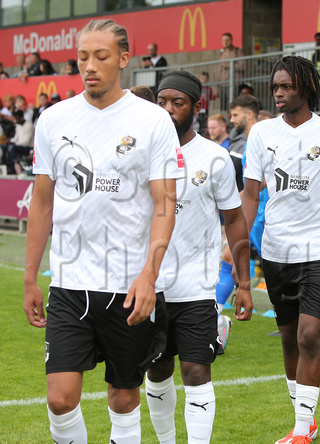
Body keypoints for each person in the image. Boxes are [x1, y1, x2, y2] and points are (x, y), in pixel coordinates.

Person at [22, 19, 182, 443]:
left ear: (124, 59)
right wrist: (29, 277)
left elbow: (165, 203)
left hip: (129, 284)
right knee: (60, 398)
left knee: (124, 399)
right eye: (82, 58)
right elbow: (41, 202)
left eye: (102, 56)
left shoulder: (152, 121)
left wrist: (149, 273)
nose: (89, 66)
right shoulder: (53, 119)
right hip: (70, 282)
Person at [242, 55, 320, 443]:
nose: (278, 93)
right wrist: (238, 245)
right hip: (275, 251)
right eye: (275, 87)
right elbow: (250, 195)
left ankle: (300, 431)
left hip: (319, 250)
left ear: (306, 88)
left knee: (310, 335)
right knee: (290, 337)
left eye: (286, 86)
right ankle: (304, 420)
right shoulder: (260, 134)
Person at [145, 70, 252, 444]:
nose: (168, 109)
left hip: (197, 288)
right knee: (157, 371)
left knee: (195, 371)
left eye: (178, 102)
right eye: (162, 102)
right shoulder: (141, 153)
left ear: (196, 107)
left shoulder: (216, 158)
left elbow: (236, 221)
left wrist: (244, 282)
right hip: (149, 289)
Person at [214, 95, 261, 348]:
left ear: (249, 114)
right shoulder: (246, 141)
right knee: (229, 258)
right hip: (251, 212)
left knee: (232, 259)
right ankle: (215, 319)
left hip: (263, 213)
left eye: (235, 115)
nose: (231, 120)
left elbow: (264, 179)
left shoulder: (261, 139)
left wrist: (236, 199)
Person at [217, 33, 245, 111]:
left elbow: (243, 66)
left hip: (234, 83)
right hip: (223, 84)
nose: (225, 42)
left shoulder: (237, 51)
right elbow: (219, 71)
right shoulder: (222, 53)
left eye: (227, 40)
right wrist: (218, 86)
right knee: (223, 107)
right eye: (223, 40)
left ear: (231, 40)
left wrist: (229, 65)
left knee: (234, 106)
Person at [198, 72, 216, 136]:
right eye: (202, 78)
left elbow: (211, 97)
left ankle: (204, 131)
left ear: (207, 80)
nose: (203, 80)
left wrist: (216, 95)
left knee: (205, 120)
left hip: (205, 108)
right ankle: (199, 130)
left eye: (205, 78)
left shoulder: (209, 89)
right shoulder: (198, 88)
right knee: (198, 119)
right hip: (199, 107)